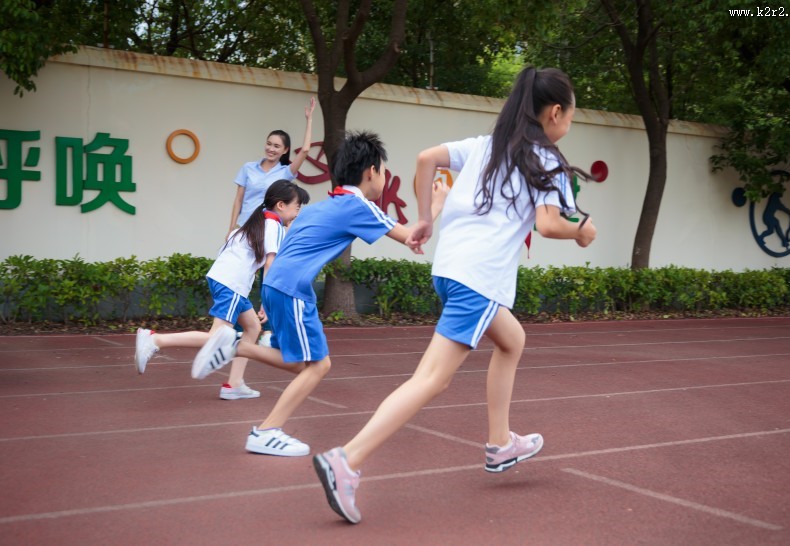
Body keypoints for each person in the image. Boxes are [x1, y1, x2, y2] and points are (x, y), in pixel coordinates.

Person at [311, 66, 598, 524]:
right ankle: (347, 458)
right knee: (431, 379)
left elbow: (426, 159)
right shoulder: (546, 159)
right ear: (557, 113)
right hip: (479, 279)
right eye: (572, 114)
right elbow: (548, 224)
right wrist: (583, 231)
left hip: (450, 270)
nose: (570, 123)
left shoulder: (484, 147)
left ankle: (501, 444)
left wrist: (425, 218)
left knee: (512, 339)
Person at [191, 130, 449, 455]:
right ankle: (266, 430)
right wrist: (435, 205)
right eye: (383, 170)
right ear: (371, 171)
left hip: (274, 285)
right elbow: (413, 236)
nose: (384, 176)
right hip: (294, 289)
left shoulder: (321, 206)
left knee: (302, 364)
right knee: (319, 365)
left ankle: (239, 347)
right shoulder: (359, 206)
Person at [134, 179, 310, 400]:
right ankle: (154, 340)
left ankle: (234, 384)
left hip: (226, 280)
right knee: (217, 337)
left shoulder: (261, 220)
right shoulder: (273, 224)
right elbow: (270, 265)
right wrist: (267, 300)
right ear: (281, 205)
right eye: (297, 207)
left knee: (252, 327)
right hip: (232, 283)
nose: (297, 213)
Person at [228, 96, 316, 347]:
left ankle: (264, 328)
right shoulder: (248, 168)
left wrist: (309, 119)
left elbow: (307, 150)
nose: (271, 148)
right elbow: (238, 200)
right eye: (269, 143)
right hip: (247, 230)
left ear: (285, 150)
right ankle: (238, 328)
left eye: (277, 146)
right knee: (241, 277)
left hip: (270, 229)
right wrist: (231, 228)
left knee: (269, 276)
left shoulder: (285, 173)